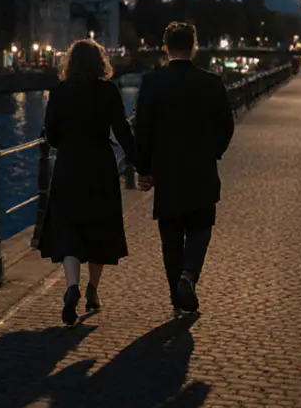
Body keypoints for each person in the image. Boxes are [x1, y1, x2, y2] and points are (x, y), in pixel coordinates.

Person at [133, 22, 235, 316]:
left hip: (167, 171)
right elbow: (226, 126)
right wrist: (213, 151)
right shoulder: (212, 83)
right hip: (201, 169)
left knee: (171, 235)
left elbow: (143, 129)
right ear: (194, 47)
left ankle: (176, 298)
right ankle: (188, 276)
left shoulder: (152, 83)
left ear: (165, 47)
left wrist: (144, 168)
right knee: (201, 227)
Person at [37, 38, 139, 325]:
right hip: (100, 168)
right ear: (100, 63)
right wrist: (141, 164)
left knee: (69, 229)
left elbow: (52, 135)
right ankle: (93, 289)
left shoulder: (59, 92)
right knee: (99, 228)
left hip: (69, 166)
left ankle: (72, 287)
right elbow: (122, 131)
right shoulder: (108, 91)